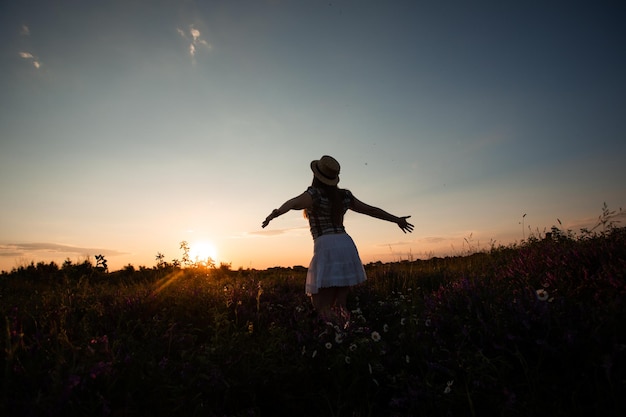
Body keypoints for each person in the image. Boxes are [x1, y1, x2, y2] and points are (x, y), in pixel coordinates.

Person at [262, 155, 414, 319]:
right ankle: (348, 335)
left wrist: (276, 213)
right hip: (346, 244)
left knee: (321, 306)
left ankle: (337, 337)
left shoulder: (314, 194)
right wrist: (397, 220)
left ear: (316, 175)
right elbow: (371, 210)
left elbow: (293, 203)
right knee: (341, 305)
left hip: (326, 246)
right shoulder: (345, 195)